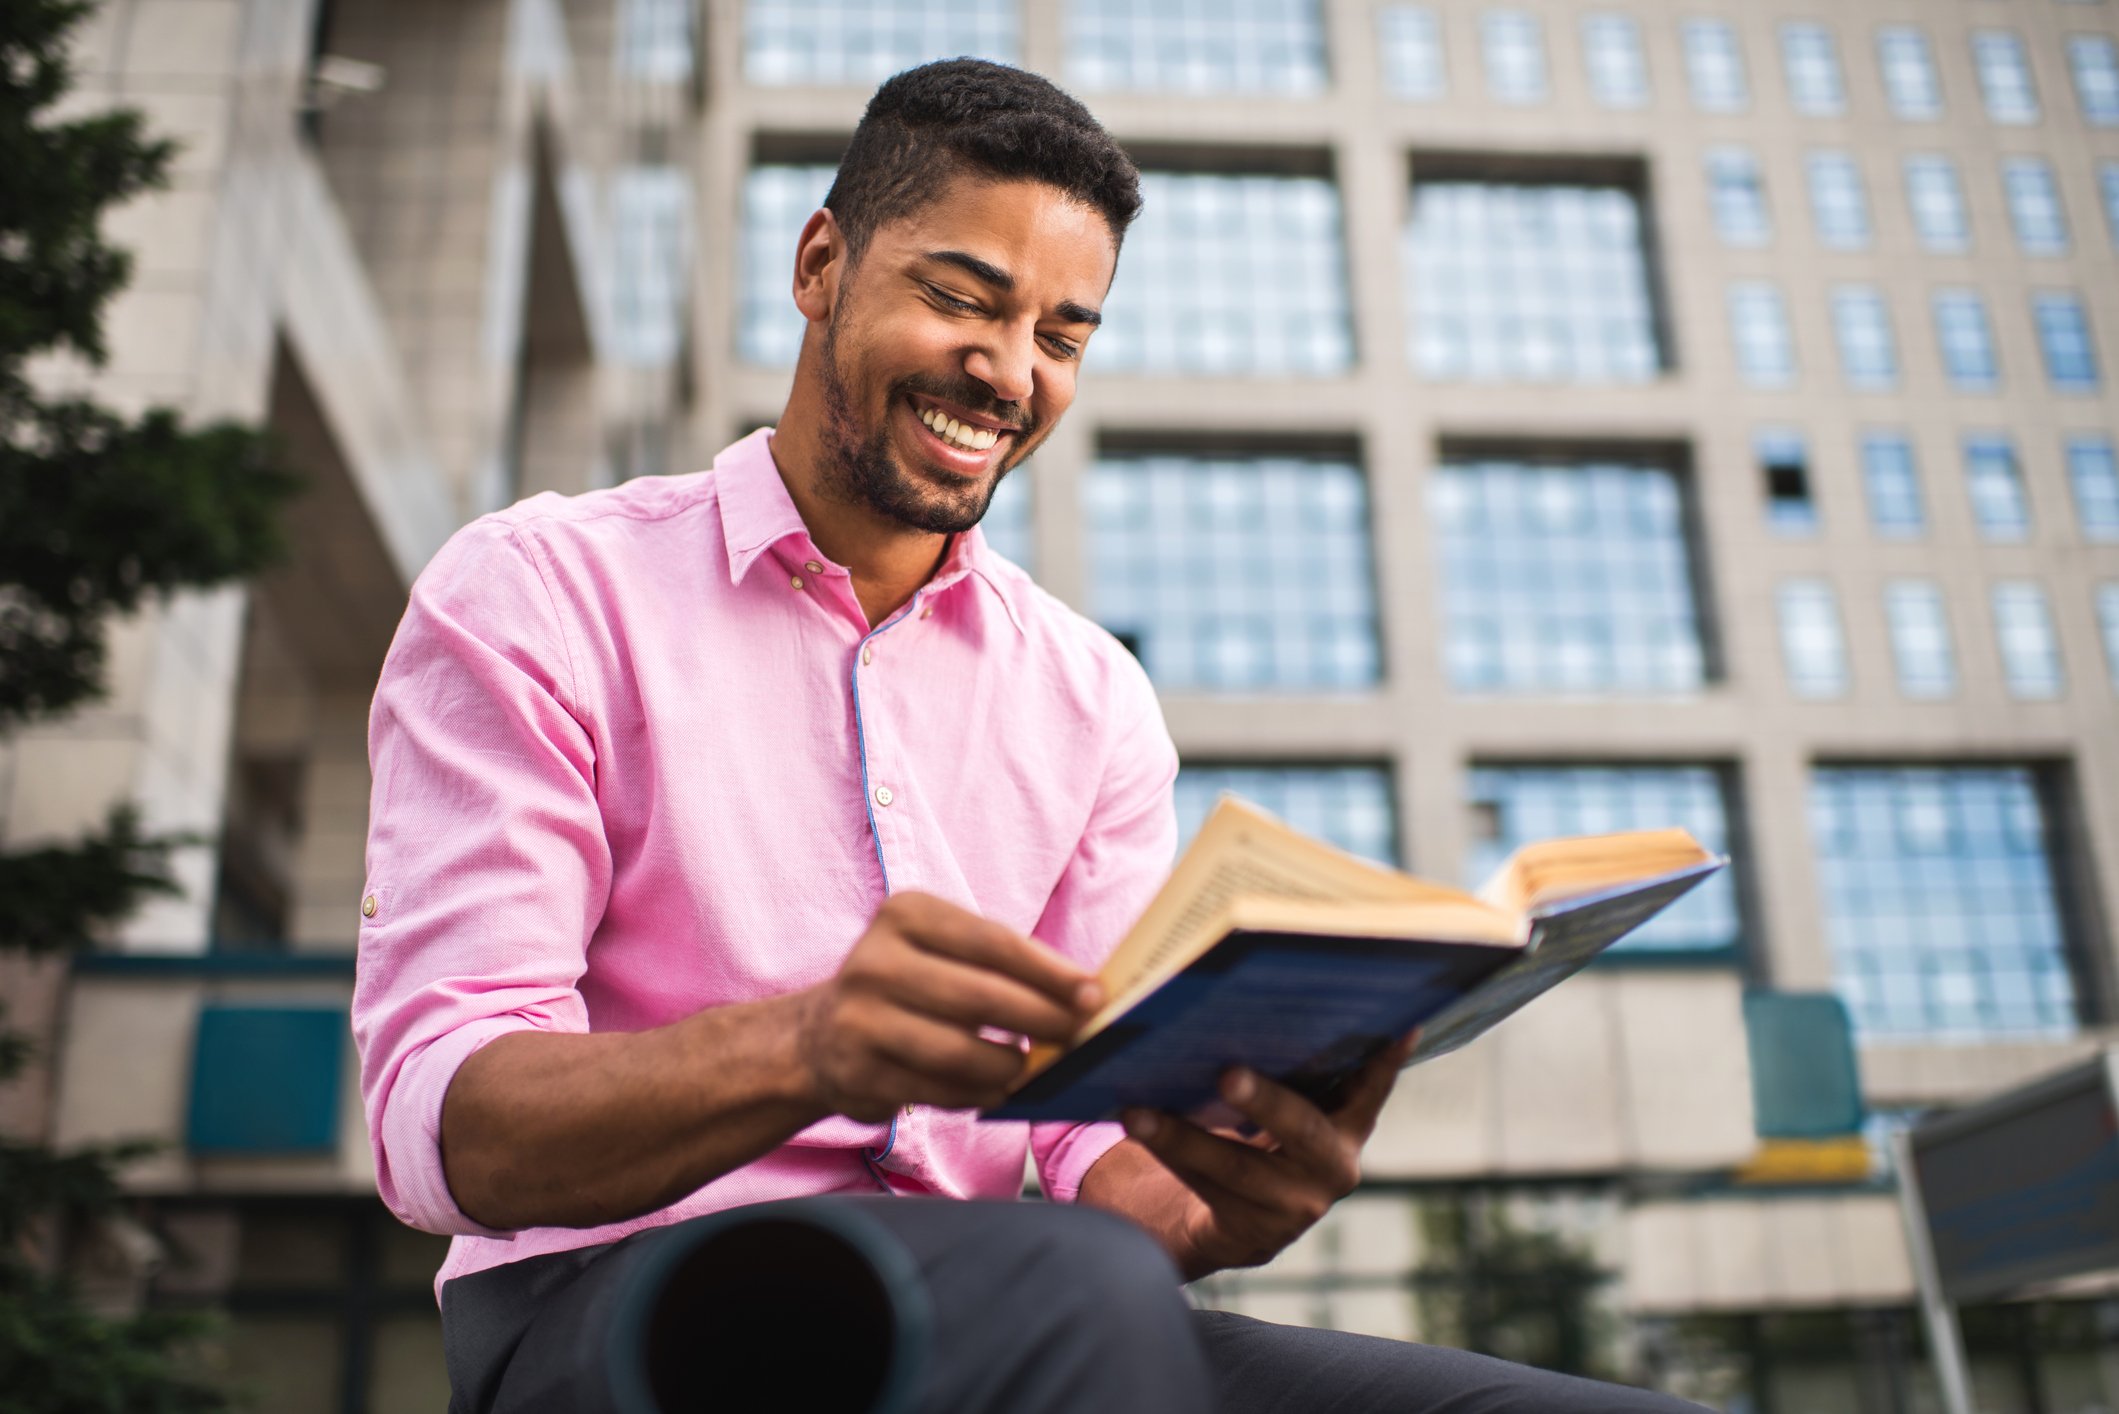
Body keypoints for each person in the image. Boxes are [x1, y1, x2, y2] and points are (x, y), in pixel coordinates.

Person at [354, 57, 1704, 1413]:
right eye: (961, 298)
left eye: (1062, 336)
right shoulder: (539, 589)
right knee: (1069, 1285)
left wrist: (1213, 1203)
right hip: (623, 1307)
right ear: (822, 263)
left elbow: (1090, 1152)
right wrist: (810, 1048)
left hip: (1014, 1307)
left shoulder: (1094, 700)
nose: (1006, 374)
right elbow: (443, 1122)